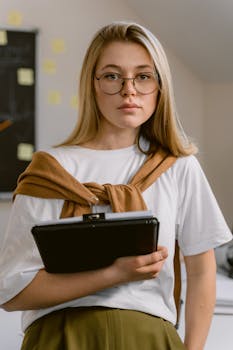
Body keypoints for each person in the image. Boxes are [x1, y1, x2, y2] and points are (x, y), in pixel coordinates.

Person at [0, 21, 232, 350]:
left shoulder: (179, 168)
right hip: (59, 338)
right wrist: (115, 274)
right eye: (112, 76)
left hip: (150, 338)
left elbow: (201, 272)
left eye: (143, 76)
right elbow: (12, 291)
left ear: (160, 86)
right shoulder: (50, 170)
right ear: (92, 85)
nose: (129, 90)